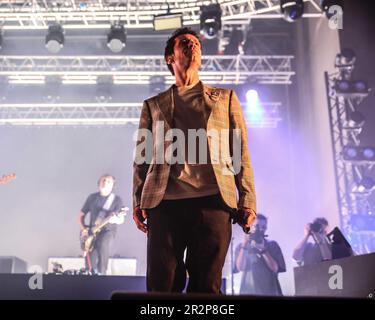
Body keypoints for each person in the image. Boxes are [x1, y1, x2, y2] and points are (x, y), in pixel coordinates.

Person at [132, 27, 257, 293]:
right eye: (185, 42)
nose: (193, 46)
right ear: (170, 57)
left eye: (197, 43)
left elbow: (241, 152)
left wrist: (248, 200)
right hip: (165, 204)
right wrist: (137, 200)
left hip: (213, 203)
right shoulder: (153, 105)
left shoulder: (225, 98)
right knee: (161, 287)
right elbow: (142, 158)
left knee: (206, 287)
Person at [78, 174, 124, 275]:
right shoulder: (92, 197)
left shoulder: (117, 200)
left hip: (107, 231)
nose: (105, 183)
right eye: (103, 180)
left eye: (108, 181)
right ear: (98, 182)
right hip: (92, 231)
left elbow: (121, 219)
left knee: (103, 245)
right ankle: (90, 276)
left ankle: (102, 275)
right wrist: (84, 229)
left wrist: (115, 219)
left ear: (113, 185)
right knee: (90, 259)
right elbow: (81, 215)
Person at [233, 214, 286, 296]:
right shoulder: (241, 247)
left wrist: (263, 250)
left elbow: (275, 268)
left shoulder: (272, 245)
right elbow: (240, 267)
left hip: (271, 292)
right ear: (250, 226)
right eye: (257, 226)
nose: (261, 229)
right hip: (248, 292)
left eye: (264, 227)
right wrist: (244, 245)